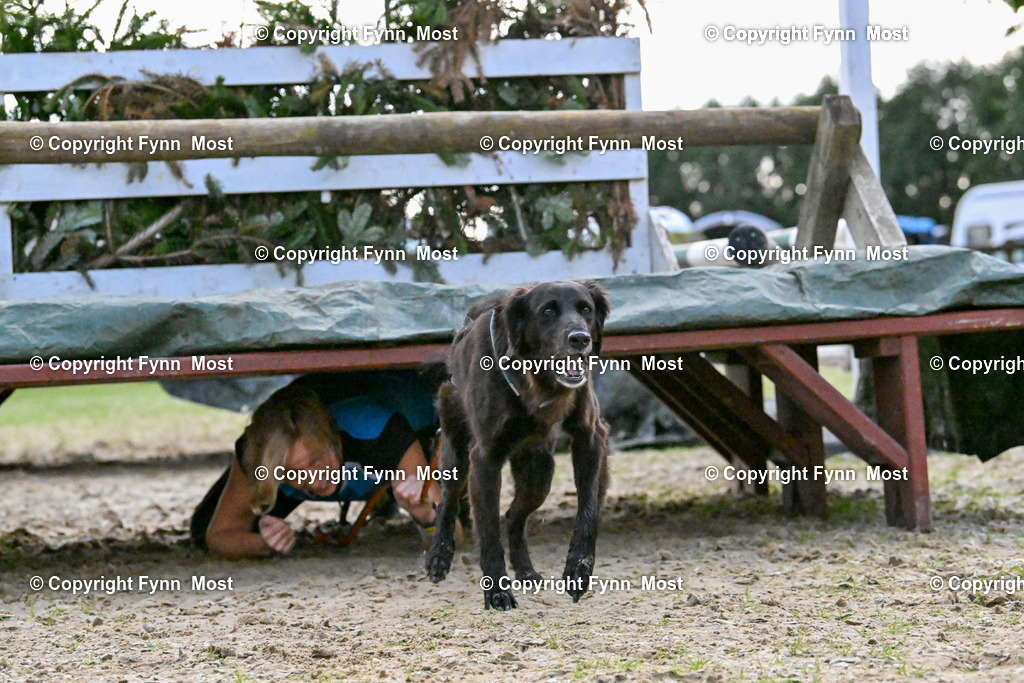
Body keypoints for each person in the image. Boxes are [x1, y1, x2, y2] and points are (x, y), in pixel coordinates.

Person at [190, 370, 461, 559]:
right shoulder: (259, 453)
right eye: (291, 474)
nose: (313, 480)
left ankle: (385, 496)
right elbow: (218, 535)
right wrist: (264, 543)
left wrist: (426, 516)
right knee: (201, 527)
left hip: (411, 413)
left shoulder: (380, 434)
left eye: (316, 461)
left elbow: (453, 537)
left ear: (332, 438)